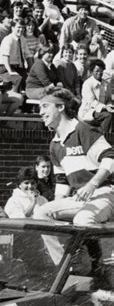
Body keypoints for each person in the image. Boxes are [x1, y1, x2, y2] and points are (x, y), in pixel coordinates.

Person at [34, 87, 114, 226]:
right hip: (79, 199)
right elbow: (62, 181)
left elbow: (110, 158)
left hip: (105, 193)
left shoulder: (83, 130)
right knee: (41, 214)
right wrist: (57, 204)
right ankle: (70, 247)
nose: (41, 112)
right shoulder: (54, 145)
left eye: (45, 106)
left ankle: (92, 247)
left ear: (60, 107)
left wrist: (91, 185)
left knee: (82, 220)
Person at [77, 59, 113, 135]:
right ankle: (101, 136)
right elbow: (92, 102)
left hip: (102, 110)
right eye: (96, 71)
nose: (99, 73)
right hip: (89, 111)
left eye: (101, 71)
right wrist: (105, 107)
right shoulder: (87, 84)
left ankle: (110, 137)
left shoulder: (106, 83)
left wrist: (110, 105)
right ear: (92, 71)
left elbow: (109, 99)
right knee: (108, 116)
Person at [0, 19, 32, 91]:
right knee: (18, 78)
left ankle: (24, 100)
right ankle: (15, 97)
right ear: (13, 28)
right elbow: (5, 57)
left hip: (18, 67)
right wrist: (10, 71)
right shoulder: (8, 39)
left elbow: (28, 55)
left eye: (23, 27)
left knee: (30, 80)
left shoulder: (23, 39)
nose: (21, 29)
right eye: (19, 27)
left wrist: (30, 70)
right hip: (5, 68)